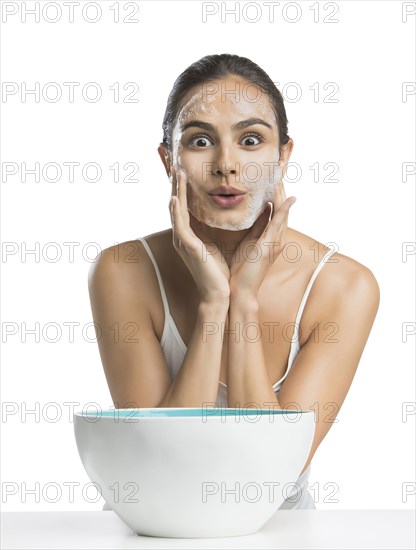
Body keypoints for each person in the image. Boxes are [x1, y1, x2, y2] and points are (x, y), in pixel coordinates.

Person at [90, 54, 380, 510]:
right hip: (153, 531)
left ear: (283, 155)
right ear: (169, 160)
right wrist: (214, 303)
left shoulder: (344, 286)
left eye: (250, 140)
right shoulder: (123, 270)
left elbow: (274, 477)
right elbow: (159, 460)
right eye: (201, 140)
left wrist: (242, 301)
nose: (227, 165)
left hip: (279, 536)